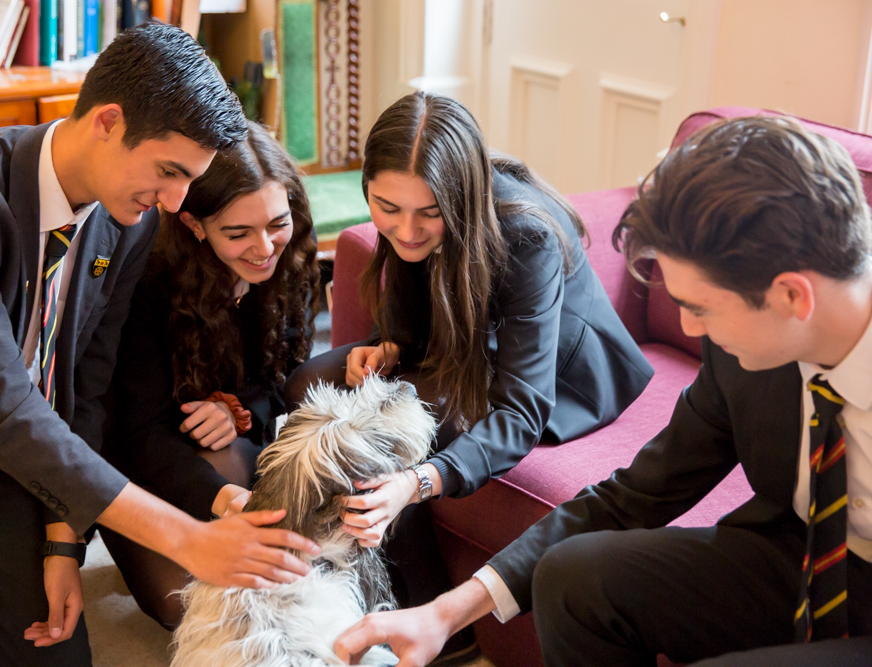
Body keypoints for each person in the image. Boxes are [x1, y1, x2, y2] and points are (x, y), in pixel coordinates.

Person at [334, 116, 872, 667]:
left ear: (791, 296)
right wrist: (445, 612)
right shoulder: (743, 358)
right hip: (799, 554)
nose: (689, 330)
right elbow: (637, 494)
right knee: (572, 577)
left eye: (701, 308)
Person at [0, 22, 319, 667]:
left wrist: (63, 536)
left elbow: (84, 383)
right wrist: (189, 538)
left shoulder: (125, 223)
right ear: (108, 121)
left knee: (56, 657)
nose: (175, 202)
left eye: (188, 181)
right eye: (168, 171)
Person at [285, 91, 654, 664]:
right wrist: (390, 346)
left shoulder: (527, 235)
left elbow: (520, 409)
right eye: (386, 207)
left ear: (459, 197)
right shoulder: (407, 207)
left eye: (429, 213)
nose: (404, 230)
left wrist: (420, 479)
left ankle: (437, 620)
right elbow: (412, 288)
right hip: (467, 348)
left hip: (553, 378)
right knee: (309, 383)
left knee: (379, 437)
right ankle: (339, 575)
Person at [101, 121, 321, 628]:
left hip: (227, 452)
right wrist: (227, 503)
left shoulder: (290, 257)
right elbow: (132, 431)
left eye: (277, 222)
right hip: (140, 463)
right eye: (238, 233)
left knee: (265, 598)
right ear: (196, 226)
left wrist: (234, 409)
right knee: (195, 611)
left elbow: (283, 382)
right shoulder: (148, 279)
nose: (265, 247)